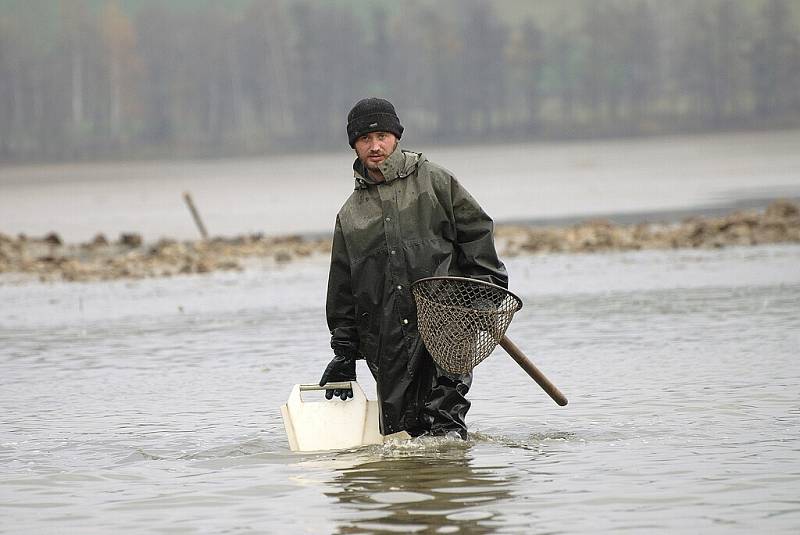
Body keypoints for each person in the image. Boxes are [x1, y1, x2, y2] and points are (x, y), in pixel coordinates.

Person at [319, 97, 508, 440]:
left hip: (449, 323)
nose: (374, 147)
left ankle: (452, 482)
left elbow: (477, 234)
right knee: (405, 435)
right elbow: (343, 288)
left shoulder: (436, 181)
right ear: (354, 146)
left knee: (446, 426)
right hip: (387, 340)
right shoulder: (349, 215)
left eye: (382, 136)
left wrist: (484, 295)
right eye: (364, 139)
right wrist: (344, 353)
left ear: (396, 136)